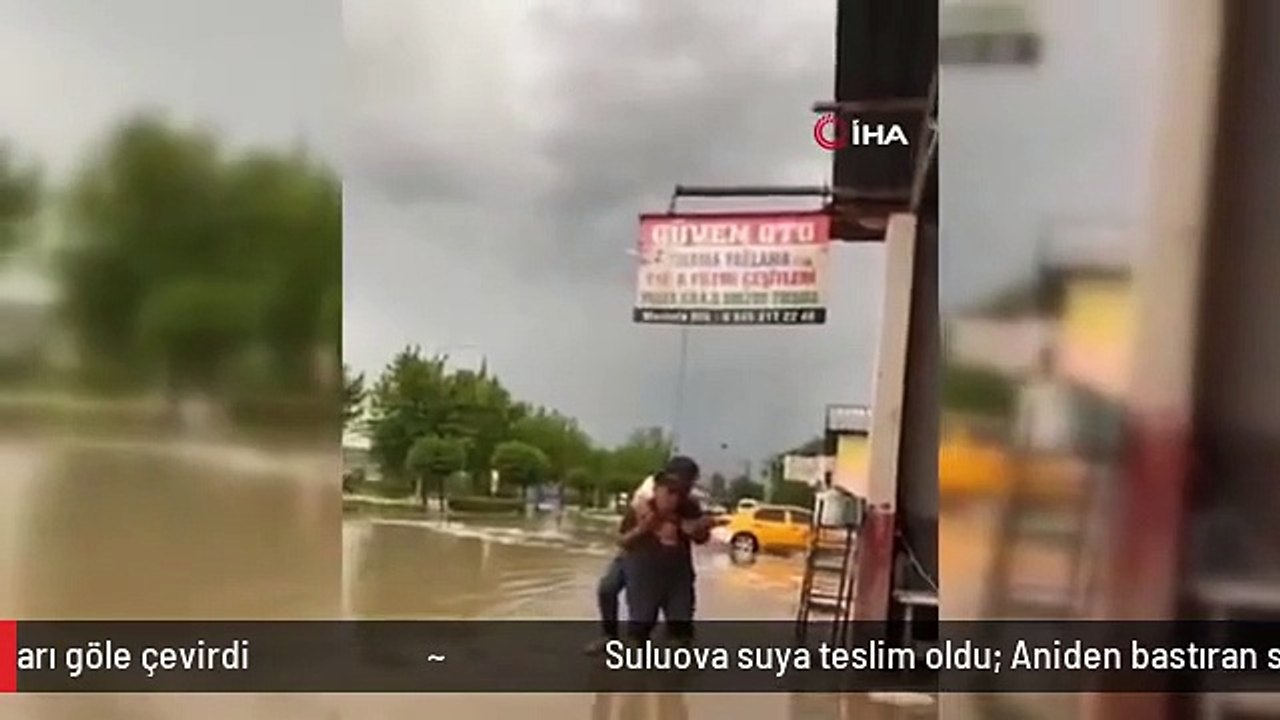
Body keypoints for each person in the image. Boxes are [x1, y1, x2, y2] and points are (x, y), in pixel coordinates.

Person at [585, 456, 701, 654]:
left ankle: (669, 633)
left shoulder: (688, 502)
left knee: (671, 608)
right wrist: (646, 526)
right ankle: (609, 636)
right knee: (607, 588)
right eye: (680, 484)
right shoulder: (647, 493)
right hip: (633, 554)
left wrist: (694, 527)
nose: (679, 493)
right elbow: (625, 535)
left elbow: (697, 532)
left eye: (687, 484)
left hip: (665, 563)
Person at [618, 472, 712, 643]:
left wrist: (700, 529)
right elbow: (622, 542)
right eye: (668, 492)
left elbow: (702, 539)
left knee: (681, 630)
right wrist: (642, 529)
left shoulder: (688, 509)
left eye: (677, 493)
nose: (673, 498)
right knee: (639, 631)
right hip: (645, 579)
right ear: (656, 490)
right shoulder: (640, 509)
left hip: (678, 580)